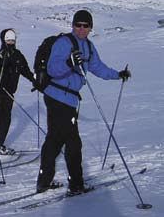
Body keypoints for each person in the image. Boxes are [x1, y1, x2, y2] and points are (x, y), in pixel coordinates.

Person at [36, 10, 131, 196]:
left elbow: (97, 67)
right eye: (78, 25)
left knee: (55, 140)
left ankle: (44, 181)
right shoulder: (63, 43)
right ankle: (76, 185)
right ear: (73, 26)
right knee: (73, 142)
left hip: (69, 98)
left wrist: (117, 74)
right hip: (57, 96)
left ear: (90, 28)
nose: (81, 29)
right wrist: (69, 63)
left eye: (85, 25)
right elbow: (52, 69)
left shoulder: (88, 46)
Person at [0, 28, 37, 155]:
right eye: (8, 41)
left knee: (3, 116)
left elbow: (25, 71)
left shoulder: (18, 56)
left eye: (13, 40)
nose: (11, 43)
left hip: (10, 91)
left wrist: (35, 80)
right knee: (4, 116)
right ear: (3, 41)